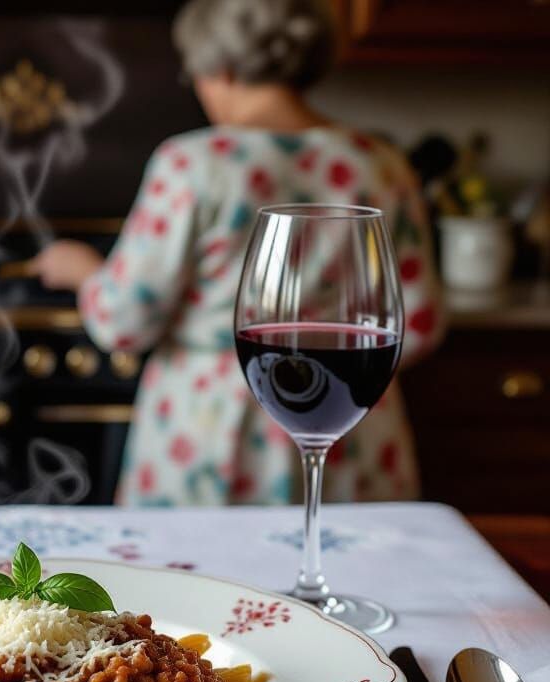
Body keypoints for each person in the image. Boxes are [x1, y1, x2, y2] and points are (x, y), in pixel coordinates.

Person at [32, 0, 443, 506]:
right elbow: (418, 323)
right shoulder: (380, 163)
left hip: (215, 430)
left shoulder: (193, 164)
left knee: (205, 578)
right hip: (348, 425)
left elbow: (125, 321)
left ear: (219, 68)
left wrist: (85, 273)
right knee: (350, 574)